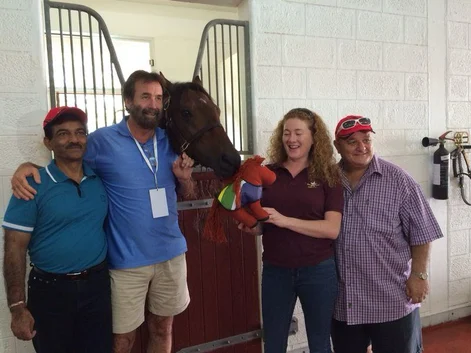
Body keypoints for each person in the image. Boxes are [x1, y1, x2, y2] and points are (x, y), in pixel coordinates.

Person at [10, 70, 195, 353]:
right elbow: (67, 157)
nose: (153, 104)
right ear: (128, 102)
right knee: (121, 340)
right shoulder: (102, 141)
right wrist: (27, 167)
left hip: (171, 255)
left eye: (158, 98)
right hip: (126, 261)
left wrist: (185, 180)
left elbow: (189, 193)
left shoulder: (171, 140)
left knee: (163, 329)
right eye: (145, 96)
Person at [2, 107, 112, 352]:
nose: (74, 139)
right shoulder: (32, 185)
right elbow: (14, 248)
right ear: (48, 142)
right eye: (63, 134)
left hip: (97, 287)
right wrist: (17, 307)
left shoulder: (99, 179)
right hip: (50, 293)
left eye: (80, 133)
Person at [331, 115, 444, 353]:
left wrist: (420, 275)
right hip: (345, 301)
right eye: (352, 141)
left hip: (391, 299)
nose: (362, 147)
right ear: (337, 146)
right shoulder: (327, 181)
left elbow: (422, 232)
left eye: (367, 139)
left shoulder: (400, 181)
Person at [239, 108, 343, 353]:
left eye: (298, 133)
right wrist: (252, 226)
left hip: (318, 271)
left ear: (313, 138)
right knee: (274, 344)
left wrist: (286, 221)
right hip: (276, 272)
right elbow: (264, 224)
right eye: (287, 133)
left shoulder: (329, 175)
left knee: (319, 343)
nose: (291, 139)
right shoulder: (269, 173)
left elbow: (331, 229)